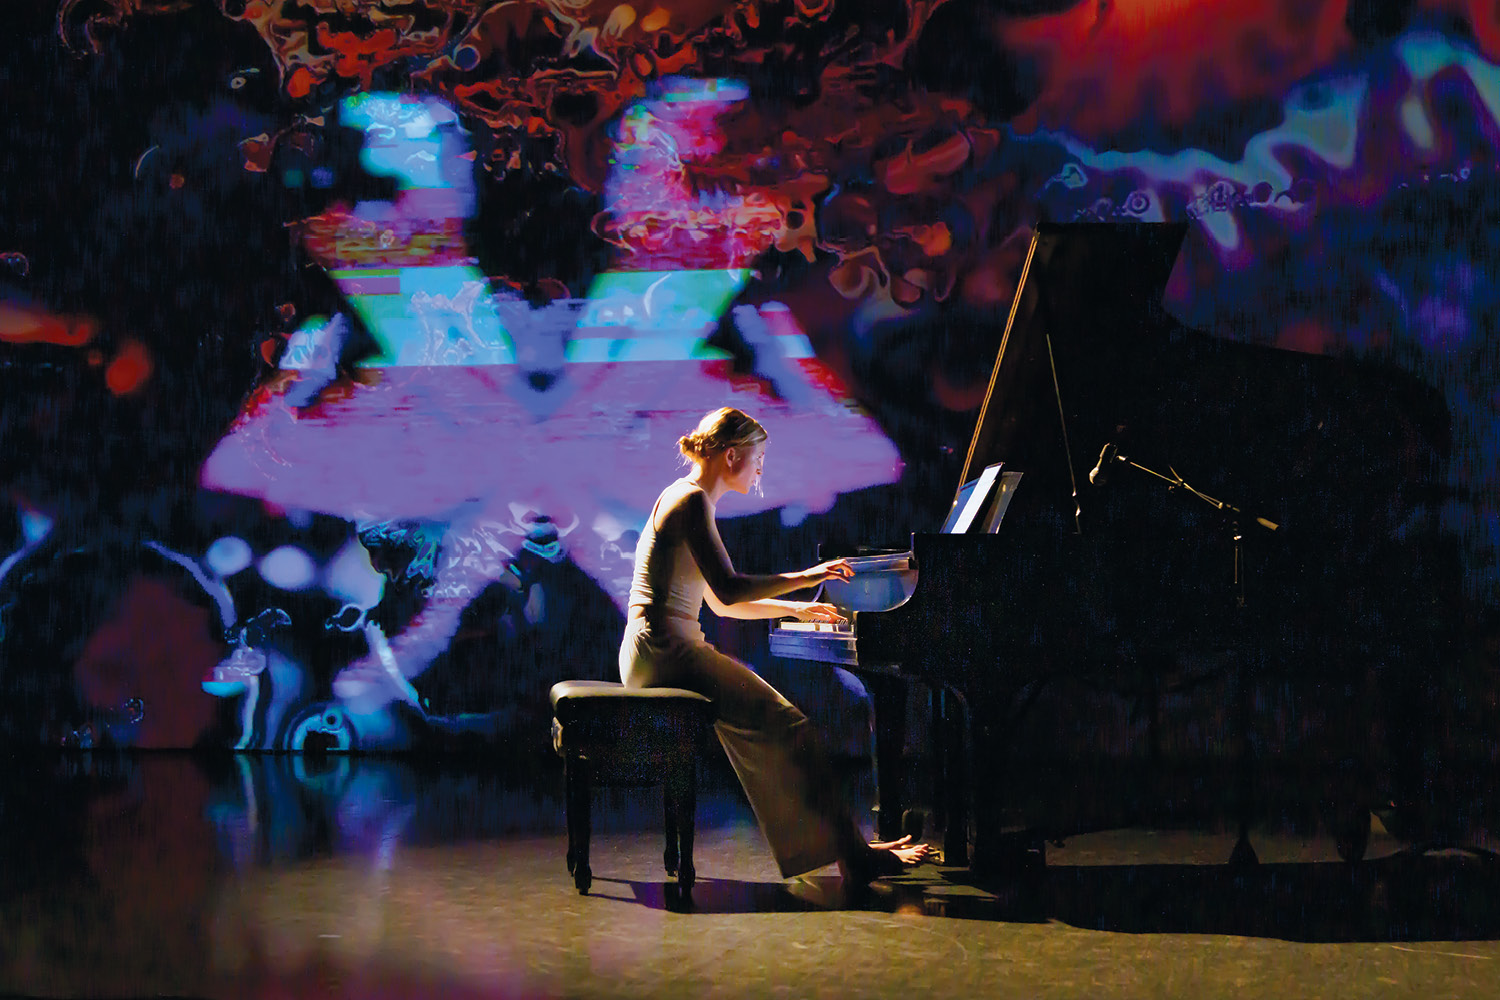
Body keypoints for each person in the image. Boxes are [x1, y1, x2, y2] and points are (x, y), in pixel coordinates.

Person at [619, 406, 931, 887]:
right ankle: (853, 855)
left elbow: (722, 607)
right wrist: (808, 577)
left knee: (776, 728)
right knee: (791, 725)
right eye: (758, 457)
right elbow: (727, 589)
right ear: (731, 455)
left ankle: (846, 847)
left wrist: (797, 609)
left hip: (655, 648)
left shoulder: (688, 498)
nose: (761, 469)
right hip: (664, 648)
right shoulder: (691, 501)